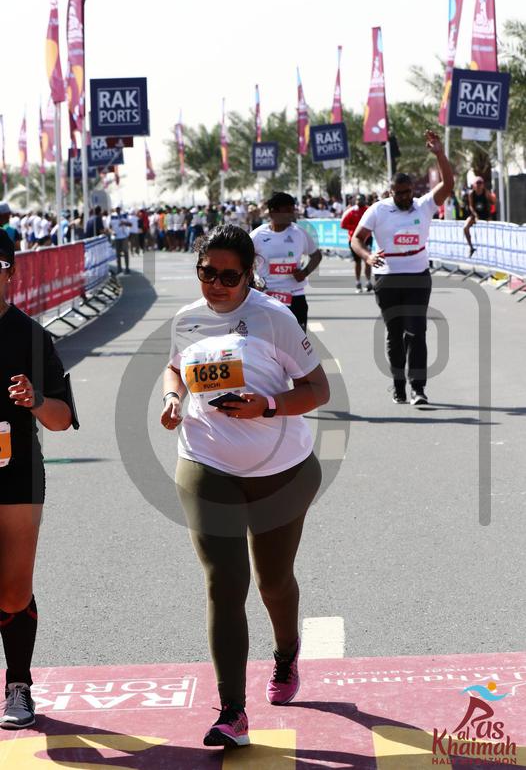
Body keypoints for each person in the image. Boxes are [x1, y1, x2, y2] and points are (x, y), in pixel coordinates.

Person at [161, 224, 329, 748]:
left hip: (281, 472)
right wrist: (172, 398)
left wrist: (268, 405)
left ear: (249, 274)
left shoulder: (274, 318)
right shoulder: (187, 320)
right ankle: (232, 711)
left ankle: (286, 653)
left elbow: (318, 388)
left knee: (272, 582)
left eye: (228, 277)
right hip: (205, 462)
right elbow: (174, 368)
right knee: (224, 583)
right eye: (206, 272)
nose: (215, 285)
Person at [0, 230, 73, 729]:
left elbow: (62, 419)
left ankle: (18, 686)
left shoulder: (30, 336)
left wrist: (36, 400)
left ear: (10, 273)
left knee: (11, 593)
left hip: (16, 474)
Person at [351, 129, 454, 406]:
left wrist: (439, 154)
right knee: (395, 335)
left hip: (418, 276)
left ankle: (418, 388)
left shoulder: (423, 206)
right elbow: (356, 239)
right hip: (387, 279)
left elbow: (448, 184)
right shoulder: (378, 210)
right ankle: (399, 386)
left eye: (409, 192)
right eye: (400, 193)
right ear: (391, 192)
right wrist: (367, 257)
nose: (406, 197)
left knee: (416, 332)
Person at [250, 192, 322, 332]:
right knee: (267, 340)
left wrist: (304, 272)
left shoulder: (299, 233)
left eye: (293, 210)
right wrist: (254, 280)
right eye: (287, 210)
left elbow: (316, 256)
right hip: (266, 295)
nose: (291, 214)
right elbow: (244, 259)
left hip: (295, 295)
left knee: (297, 341)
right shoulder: (257, 235)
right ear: (273, 212)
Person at [341, 194, 373, 293]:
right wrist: (355, 228)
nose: (359, 201)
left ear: (364, 200)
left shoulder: (369, 210)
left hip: (367, 238)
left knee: (368, 259)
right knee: (357, 261)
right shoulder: (351, 211)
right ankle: (358, 282)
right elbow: (343, 224)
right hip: (354, 240)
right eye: (357, 200)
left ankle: (368, 281)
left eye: (361, 200)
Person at [463, 177, 494, 257]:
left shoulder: (486, 192)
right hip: (475, 215)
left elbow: (493, 202)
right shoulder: (471, 194)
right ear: (474, 185)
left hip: (485, 215)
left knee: (491, 230)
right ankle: (471, 247)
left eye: (481, 183)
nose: (479, 185)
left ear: (483, 185)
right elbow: (471, 206)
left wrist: (491, 198)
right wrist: (476, 215)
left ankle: (491, 249)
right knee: (465, 228)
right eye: (477, 183)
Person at [110, 207, 131, 274]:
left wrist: (124, 223)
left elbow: (130, 224)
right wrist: (112, 232)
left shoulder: (124, 215)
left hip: (124, 236)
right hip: (116, 237)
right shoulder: (112, 216)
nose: (117, 209)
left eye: (118, 208)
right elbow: (109, 227)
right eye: (116, 208)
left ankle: (127, 268)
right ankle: (119, 268)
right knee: (117, 253)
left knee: (125, 252)